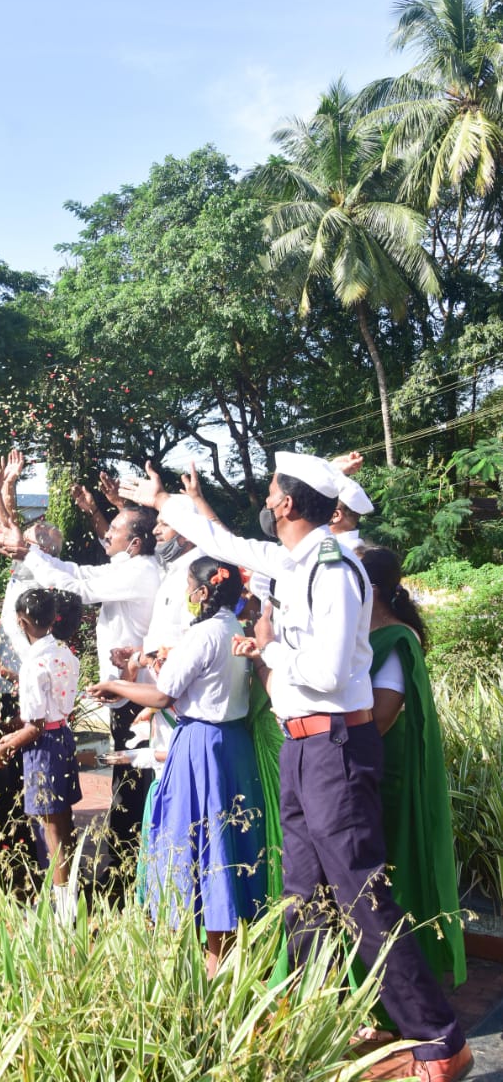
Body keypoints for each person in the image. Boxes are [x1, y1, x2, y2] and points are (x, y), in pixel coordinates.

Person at [121, 455, 471, 1082]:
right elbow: (224, 541)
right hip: (305, 745)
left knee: (359, 891)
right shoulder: (298, 561)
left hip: (335, 745)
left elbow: (330, 673)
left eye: (271, 491)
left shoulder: (331, 570)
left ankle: (439, 1038)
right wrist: (162, 502)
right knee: (303, 893)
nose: (265, 500)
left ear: (285, 504)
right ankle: (312, 1020)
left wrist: (269, 649)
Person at [90, 555, 266, 976]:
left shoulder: (203, 634)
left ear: (202, 592)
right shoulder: (235, 628)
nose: (185, 595)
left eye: (188, 587)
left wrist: (116, 684)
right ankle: (225, 956)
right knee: (226, 842)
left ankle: (205, 962)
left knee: (193, 840)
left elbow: (163, 696)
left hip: (200, 745)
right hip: (233, 746)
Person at [0, 506, 161, 880]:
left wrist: (26, 552)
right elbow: (77, 573)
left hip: (138, 696)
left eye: (114, 529)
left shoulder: (141, 571)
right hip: (123, 691)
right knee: (116, 786)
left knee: (128, 787)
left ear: (134, 543)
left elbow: (79, 585)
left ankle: (127, 875)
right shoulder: (65, 654)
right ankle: (123, 871)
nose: (106, 533)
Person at [357, 545, 466, 987]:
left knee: (387, 875)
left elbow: (381, 719)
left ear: (370, 589)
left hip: (385, 773)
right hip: (364, 766)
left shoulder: (398, 640)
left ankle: (395, 982)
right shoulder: (363, 634)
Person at [0, 587, 82, 920]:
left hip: (44, 749)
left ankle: (64, 911)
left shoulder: (33, 663)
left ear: (21, 621)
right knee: (63, 823)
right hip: (63, 737)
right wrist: (16, 734)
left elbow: (35, 726)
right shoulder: (64, 652)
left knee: (52, 831)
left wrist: (5, 745)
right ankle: (69, 899)